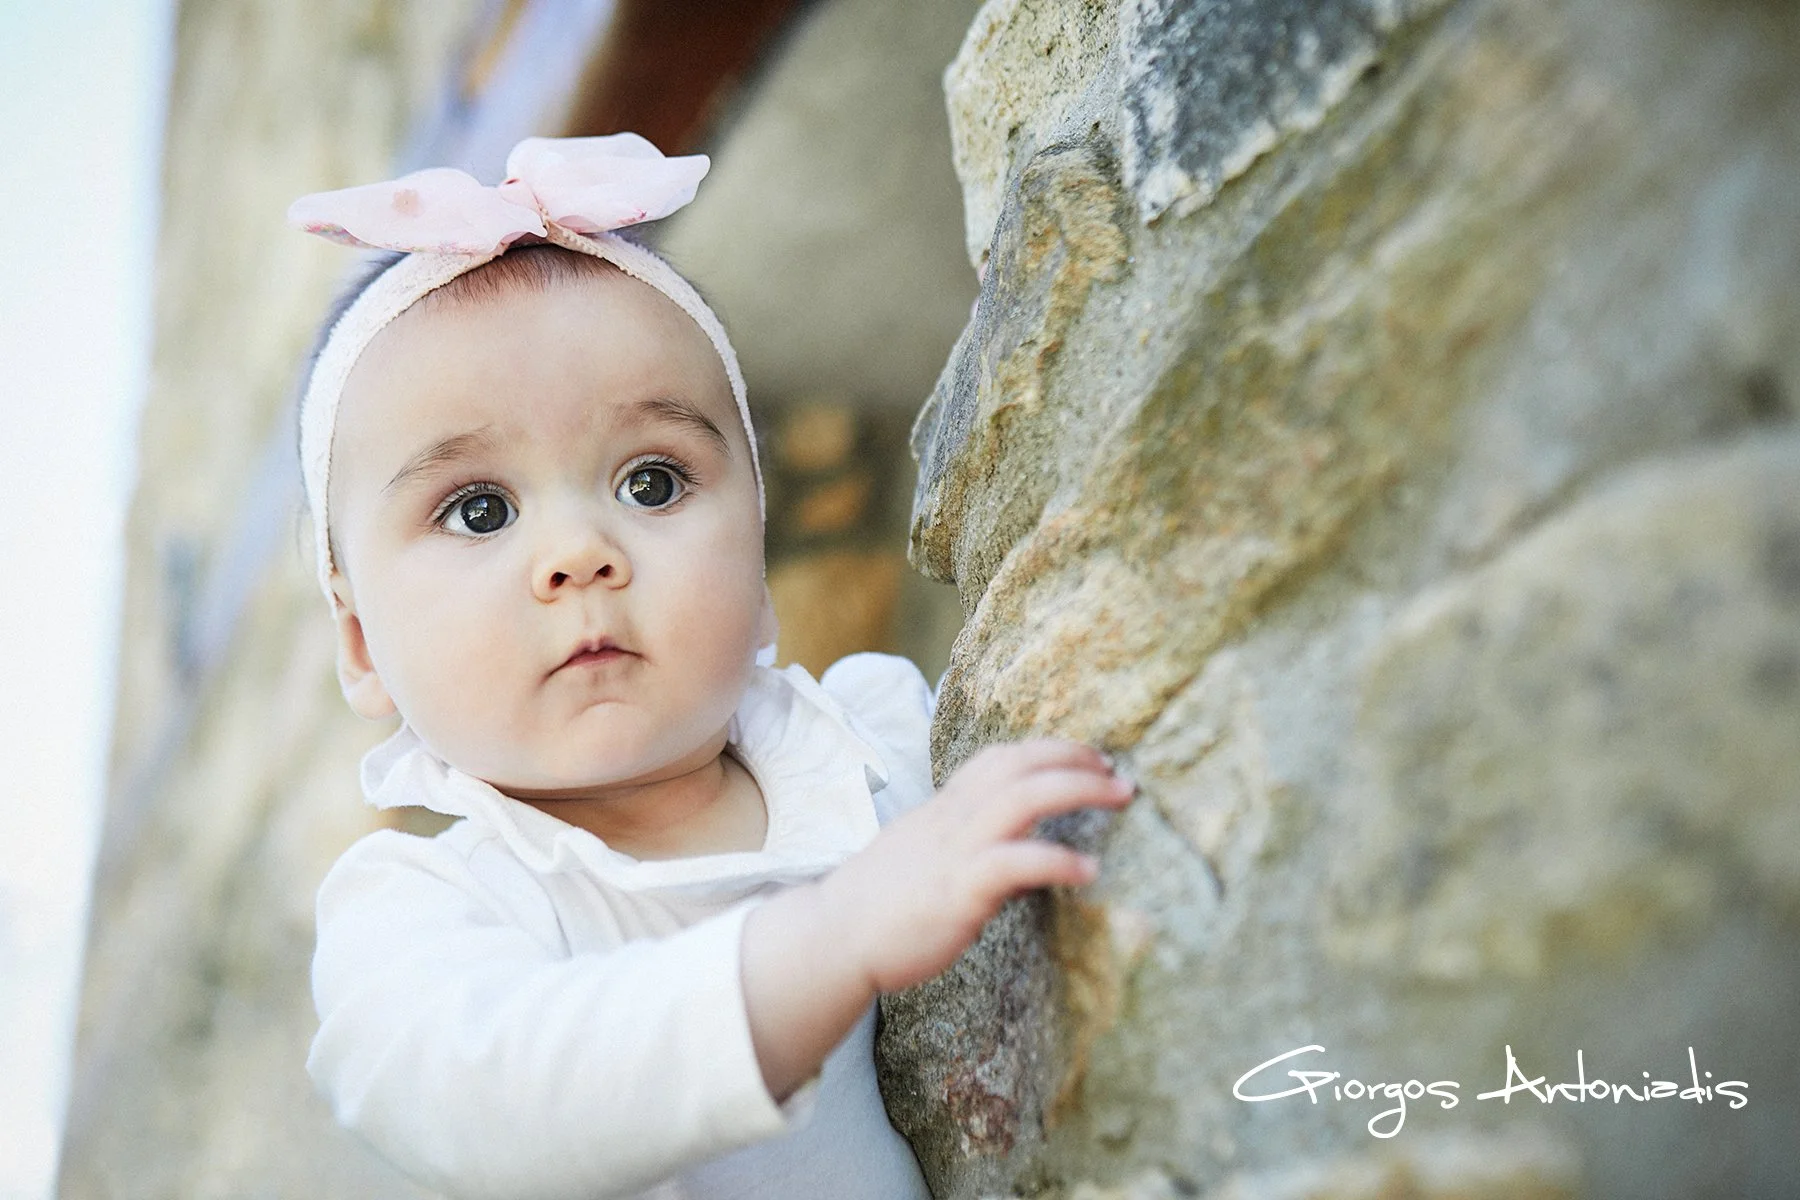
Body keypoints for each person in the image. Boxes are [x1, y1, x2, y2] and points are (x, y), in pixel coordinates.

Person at [290, 134, 1133, 1200]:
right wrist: (827, 942)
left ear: (761, 563)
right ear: (362, 646)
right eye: (480, 509)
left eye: (651, 483)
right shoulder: (426, 912)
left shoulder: (872, 743)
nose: (578, 554)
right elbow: (491, 1093)